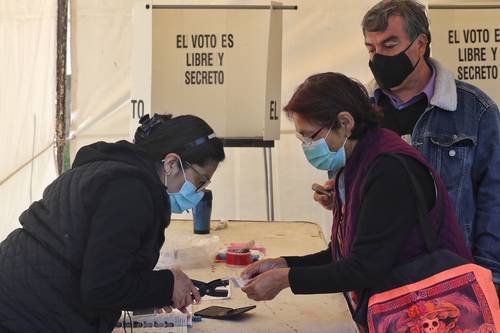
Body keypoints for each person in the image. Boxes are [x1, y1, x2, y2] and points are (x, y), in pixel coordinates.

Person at [240, 72, 472, 324]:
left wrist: (286, 279)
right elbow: (343, 254)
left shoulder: (388, 169)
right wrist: (282, 264)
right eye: (301, 138)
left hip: (434, 314)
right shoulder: (358, 162)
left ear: (345, 122)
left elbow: (363, 269)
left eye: (311, 136)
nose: (307, 145)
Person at [315, 0, 500, 293]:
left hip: (448, 280)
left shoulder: (475, 111)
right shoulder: (359, 110)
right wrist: (340, 193)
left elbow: (494, 200)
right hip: (375, 281)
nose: (379, 57)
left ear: (421, 43)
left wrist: (490, 278)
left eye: (389, 45)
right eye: (371, 48)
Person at [0, 114, 225, 332]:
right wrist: (166, 285)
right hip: (24, 313)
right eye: (200, 181)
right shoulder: (131, 192)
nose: (200, 192)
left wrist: (153, 291)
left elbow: (104, 265)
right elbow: (102, 287)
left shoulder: (111, 170)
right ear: (171, 164)